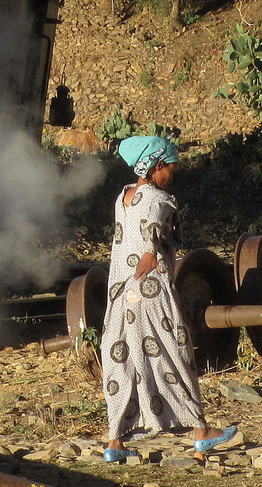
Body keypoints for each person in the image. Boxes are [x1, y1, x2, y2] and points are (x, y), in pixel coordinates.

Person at [99, 134, 237, 463]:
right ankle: (201, 433)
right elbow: (152, 242)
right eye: (170, 169)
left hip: (119, 294)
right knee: (177, 355)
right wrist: (150, 255)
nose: (171, 176)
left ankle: (114, 442)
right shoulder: (160, 200)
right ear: (157, 165)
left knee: (123, 361)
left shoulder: (123, 199)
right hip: (151, 291)